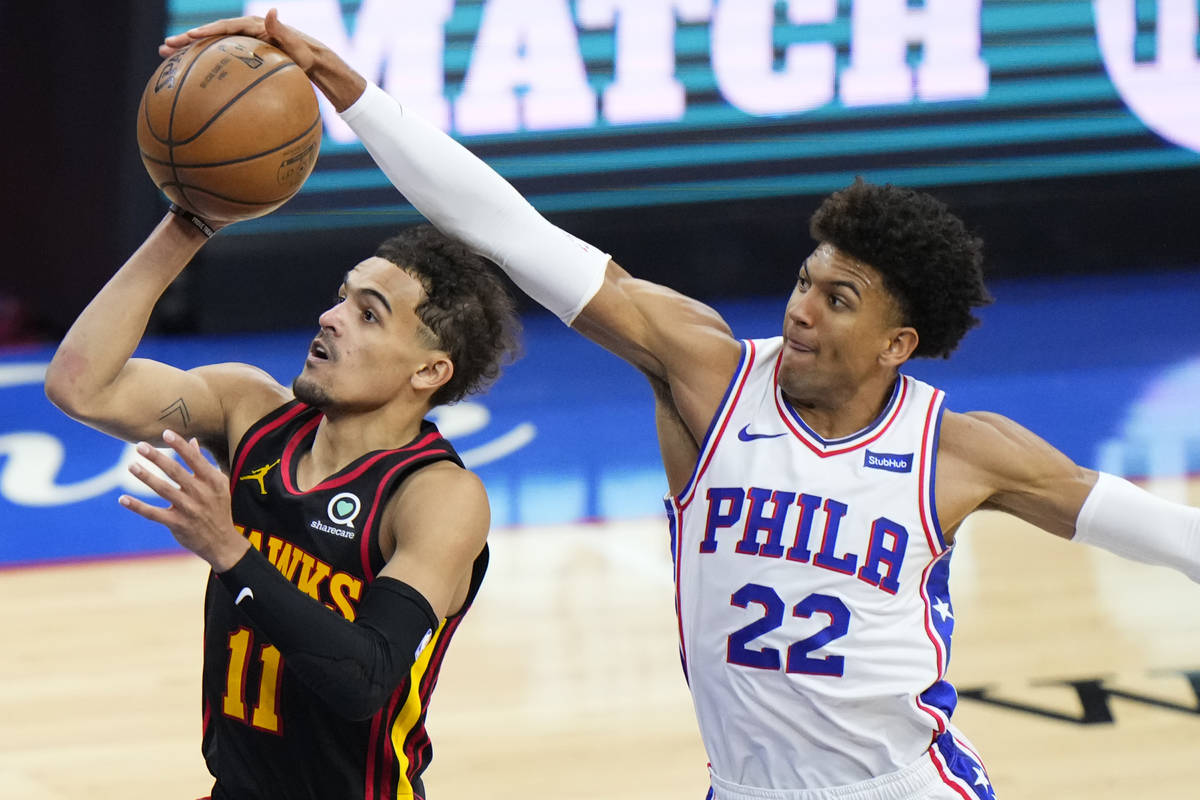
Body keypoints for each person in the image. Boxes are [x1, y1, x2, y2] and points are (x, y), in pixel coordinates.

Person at [164, 12, 1200, 800]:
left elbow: (1146, 522)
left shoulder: (960, 450)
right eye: (805, 279)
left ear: (897, 343)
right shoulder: (706, 372)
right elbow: (511, 230)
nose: (800, 309)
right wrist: (355, 92)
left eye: (837, 301)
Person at [44, 211, 520, 798]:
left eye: (368, 314)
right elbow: (79, 385)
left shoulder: (435, 497)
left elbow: (364, 679)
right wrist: (188, 226)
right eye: (342, 297)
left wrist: (229, 550)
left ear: (429, 370)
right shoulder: (248, 412)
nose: (330, 317)